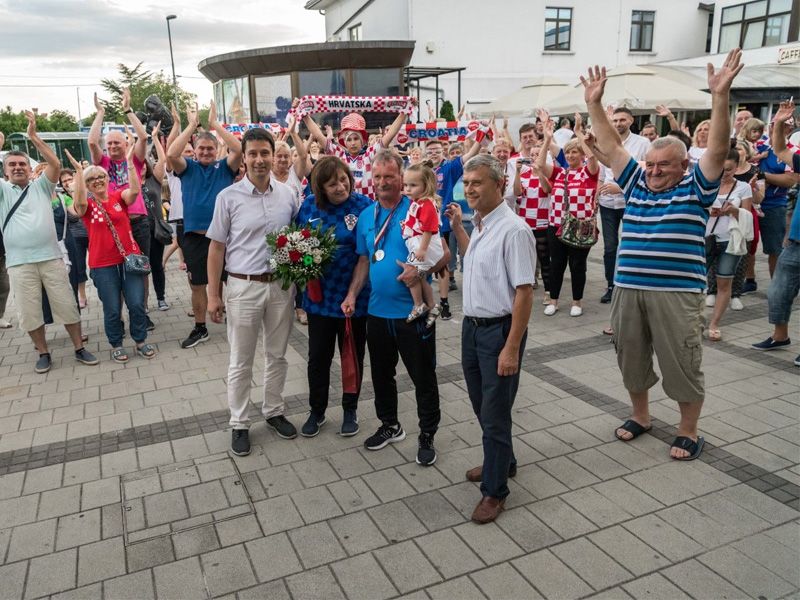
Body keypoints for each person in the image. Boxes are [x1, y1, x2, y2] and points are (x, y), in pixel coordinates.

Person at [582, 48, 743, 460]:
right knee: (630, 357)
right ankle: (642, 416)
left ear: (684, 164)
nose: (653, 171)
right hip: (628, 290)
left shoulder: (696, 187)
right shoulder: (635, 182)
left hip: (676, 295)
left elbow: (720, 145)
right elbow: (611, 146)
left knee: (682, 363)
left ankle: (689, 429)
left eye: (663, 166)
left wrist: (719, 97)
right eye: (650, 164)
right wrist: (594, 104)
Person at [342, 150, 447, 466]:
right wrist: (351, 294)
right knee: (382, 375)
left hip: (413, 313)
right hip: (377, 313)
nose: (383, 183)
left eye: (390, 176)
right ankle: (390, 425)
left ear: (402, 178)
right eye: (378, 177)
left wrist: (420, 270)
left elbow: (441, 254)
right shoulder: (365, 217)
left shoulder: (417, 209)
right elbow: (364, 260)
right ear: (371, 180)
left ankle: (427, 433)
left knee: (423, 377)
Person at [445, 155, 535, 524]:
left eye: (477, 183)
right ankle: (504, 460)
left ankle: (495, 492)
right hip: (473, 327)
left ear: (499, 186)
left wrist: (511, 347)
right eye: (466, 183)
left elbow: (525, 293)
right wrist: (458, 228)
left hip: (499, 331)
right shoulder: (481, 224)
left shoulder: (514, 230)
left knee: (495, 414)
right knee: (484, 406)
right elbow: (477, 258)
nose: (469, 189)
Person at [206, 128, 299, 456]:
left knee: (277, 354)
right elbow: (216, 248)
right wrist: (213, 295)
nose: (260, 160)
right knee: (240, 359)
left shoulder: (288, 195)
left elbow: (298, 241)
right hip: (243, 286)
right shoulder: (227, 198)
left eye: (265, 153)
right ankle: (240, 422)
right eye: (253, 154)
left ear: (274, 155)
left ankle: (273, 410)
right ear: (242, 158)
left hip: (280, 286)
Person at [0, 113, 99, 373]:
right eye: (12, 165)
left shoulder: (42, 187)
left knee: (67, 305)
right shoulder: (2, 192)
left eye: (22, 163)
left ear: (30, 168)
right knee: (30, 312)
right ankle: (43, 352)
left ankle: (78, 347)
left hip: (50, 257)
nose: (18, 167)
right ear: (5, 170)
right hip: (20, 264)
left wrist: (34, 137)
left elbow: (54, 164)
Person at [295, 156, 371, 437]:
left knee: (353, 355)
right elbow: (297, 246)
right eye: (332, 183)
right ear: (320, 188)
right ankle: (317, 411)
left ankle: (350, 409)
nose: (340, 187)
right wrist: (304, 268)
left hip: (356, 297)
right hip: (320, 299)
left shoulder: (364, 206)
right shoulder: (307, 207)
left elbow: (366, 253)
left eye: (344, 180)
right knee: (318, 358)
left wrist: (353, 293)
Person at [68, 149, 156, 362]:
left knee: (136, 304)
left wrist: (129, 162)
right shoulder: (87, 204)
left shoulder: (118, 196)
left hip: (130, 259)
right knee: (112, 308)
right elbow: (78, 204)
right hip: (103, 265)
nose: (97, 180)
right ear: (87, 185)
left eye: (101, 176)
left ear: (107, 179)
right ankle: (116, 343)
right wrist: (79, 173)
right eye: (91, 179)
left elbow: (134, 191)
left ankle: (140, 340)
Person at [167, 100, 242, 349]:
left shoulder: (224, 167)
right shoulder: (188, 167)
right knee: (197, 284)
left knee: (232, 280)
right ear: (195, 150)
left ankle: (239, 322)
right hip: (195, 237)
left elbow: (239, 149)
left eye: (211, 149)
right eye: (202, 149)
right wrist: (191, 126)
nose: (207, 152)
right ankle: (200, 328)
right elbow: (171, 154)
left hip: (224, 237)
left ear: (216, 149)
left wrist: (215, 125)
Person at [752, 98, 800, 367]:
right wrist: (780, 123)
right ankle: (780, 336)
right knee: (779, 291)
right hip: (796, 239)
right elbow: (780, 151)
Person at [537, 125, 599, 317]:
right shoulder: (559, 172)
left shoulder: (589, 173)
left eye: (574, 152)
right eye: (568, 152)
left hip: (580, 227)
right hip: (556, 225)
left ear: (581, 155)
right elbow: (539, 166)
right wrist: (547, 140)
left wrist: (580, 135)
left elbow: (594, 158)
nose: (571, 156)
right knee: (556, 264)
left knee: (577, 265)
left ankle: (576, 301)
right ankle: (554, 301)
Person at [88, 90, 151, 261]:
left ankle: (143, 290)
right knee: (119, 266)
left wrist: (128, 110)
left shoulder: (134, 159)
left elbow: (143, 137)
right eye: (109, 143)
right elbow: (92, 142)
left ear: (126, 143)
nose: (113, 146)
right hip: (114, 221)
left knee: (142, 267)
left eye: (117, 142)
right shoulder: (103, 162)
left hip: (138, 221)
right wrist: (100, 113)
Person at [597, 107, 651, 304]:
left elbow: (648, 173)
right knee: (610, 246)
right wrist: (596, 197)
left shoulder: (643, 143)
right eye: (615, 120)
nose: (618, 123)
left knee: (633, 245)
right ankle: (611, 285)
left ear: (631, 121)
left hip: (631, 201)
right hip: (607, 203)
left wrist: (620, 188)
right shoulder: (606, 142)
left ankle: (632, 284)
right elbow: (602, 174)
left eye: (622, 120)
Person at [302, 106, 410, 200]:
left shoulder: (370, 154)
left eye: (356, 139)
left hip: (368, 205)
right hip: (346, 206)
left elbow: (390, 134)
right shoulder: (339, 155)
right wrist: (304, 115)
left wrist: (404, 112)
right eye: (349, 140)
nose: (353, 143)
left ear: (362, 141)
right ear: (344, 142)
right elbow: (318, 134)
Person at [704, 149, 752, 341]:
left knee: (725, 282)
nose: (724, 173)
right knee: (697, 281)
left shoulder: (743, 187)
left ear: (737, 168)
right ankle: (693, 320)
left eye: (729, 169)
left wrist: (733, 210)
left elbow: (747, 215)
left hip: (729, 239)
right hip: (706, 237)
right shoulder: (707, 184)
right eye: (721, 169)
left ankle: (714, 323)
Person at [400, 163, 445, 326]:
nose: (407, 189)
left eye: (413, 185)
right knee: (419, 278)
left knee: (412, 275)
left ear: (426, 186)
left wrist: (422, 249)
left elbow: (428, 229)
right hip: (418, 243)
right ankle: (432, 305)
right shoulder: (418, 201)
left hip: (423, 244)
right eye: (405, 185)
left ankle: (419, 305)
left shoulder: (426, 204)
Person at [753, 116, 797, 279]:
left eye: (782, 125)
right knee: (746, 246)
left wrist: (762, 175)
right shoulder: (758, 145)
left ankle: (776, 287)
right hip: (749, 203)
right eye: (773, 124)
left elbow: (790, 180)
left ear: (790, 129)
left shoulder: (793, 151)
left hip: (774, 205)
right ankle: (750, 280)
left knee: (775, 249)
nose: (775, 128)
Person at [513, 140, 552, 305]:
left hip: (542, 223)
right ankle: (525, 287)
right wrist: (517, 171)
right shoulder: (524, 174)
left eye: (538, 154)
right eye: (533, 155)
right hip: (525, 223)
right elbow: (516, 193)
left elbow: (547, 190)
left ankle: (549, 292)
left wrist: (540, 173)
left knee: (544, 259)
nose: (535, 157)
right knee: (525, 258)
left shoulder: (549, 174)